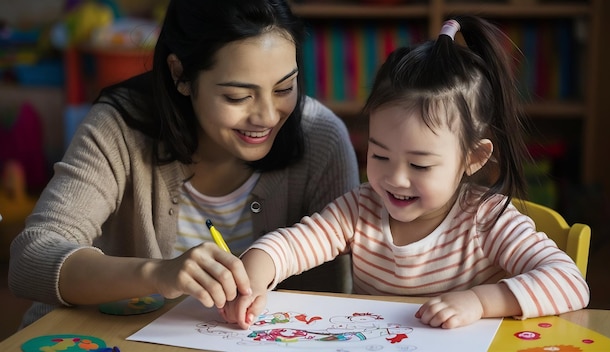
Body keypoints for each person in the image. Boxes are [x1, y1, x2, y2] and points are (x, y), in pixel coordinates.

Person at [222, 15, 590, 330]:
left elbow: (570, 283)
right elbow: (293, 244)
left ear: (474, 157)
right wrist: (254, 274)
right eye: (380, 155)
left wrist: (479, 302)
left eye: (419, 165)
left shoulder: (486, 219)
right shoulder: (360, 208)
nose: (395, 178)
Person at [8, 0, 359, 328]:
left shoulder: (322, 139)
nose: (267, 116)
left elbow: (332, 299)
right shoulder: (119, 128)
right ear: (180, 74)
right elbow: (31, 259)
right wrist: (158, 274)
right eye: (237, 96)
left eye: (284, 88)